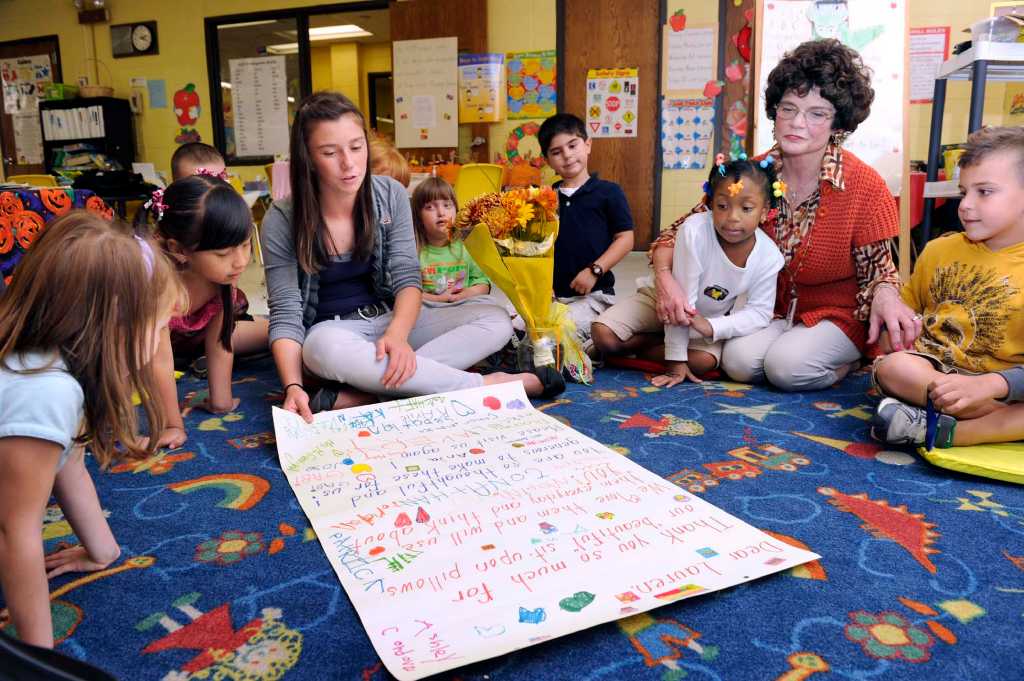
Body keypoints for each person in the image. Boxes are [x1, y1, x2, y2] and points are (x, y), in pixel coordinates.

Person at [593, 39, 920, 391]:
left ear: (837, 122)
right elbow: (680, 230)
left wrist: (887, 295)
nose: (797, 123)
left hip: (837, 314)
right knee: (738, 363)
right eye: (788, 108)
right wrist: (665, 277)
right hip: (771, 311)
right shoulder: (756, 173)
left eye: (817, 113)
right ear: (774, 110)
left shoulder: (864, 185)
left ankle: (851, 359)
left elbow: (879, 271)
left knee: (786, 369)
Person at [261, 91, 563, 421]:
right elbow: (286, 312)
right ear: (308, 158)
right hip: (335, 333)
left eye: (356, 147)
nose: (349, 163)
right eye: (330, 152)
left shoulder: (389, 194)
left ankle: (367, 393)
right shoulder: (283, 218)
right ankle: (487, 385)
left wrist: (397, 334)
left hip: (395, 319)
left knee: (494, 319)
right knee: (321, 350)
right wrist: (293, 386)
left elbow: (406, 274)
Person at [0, 211, 183, 648]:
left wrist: (103, 552)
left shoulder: (68, 370)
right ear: (111, 327)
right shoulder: (43, 393)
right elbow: (15, 530)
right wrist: (38, 658)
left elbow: (70, 465)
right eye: (157, 327)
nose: (161, 338)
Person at [871, 126, 1024, 448]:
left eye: (984, 192)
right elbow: (906, 314)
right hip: (935, 374)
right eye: (962, 192)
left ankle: (941, 431)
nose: (965, 205)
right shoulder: (939, 250)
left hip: (1004, 387)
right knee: (894, 367)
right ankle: (989, 423)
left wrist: (992, 384)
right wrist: (896, 331)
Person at [146, 175, 269, 449]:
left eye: (245, 244)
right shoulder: (156, 283)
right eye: (223, 253)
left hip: (189, 340)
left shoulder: (223, 275)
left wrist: (221, 400)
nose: (240, 261)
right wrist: (172, 425)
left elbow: (220, 337)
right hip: (129, 349)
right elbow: (158, 361)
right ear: (179, 250)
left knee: (277, 331)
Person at [650, 157, 785, 387]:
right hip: (664, 301)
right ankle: (638, 343)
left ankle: (637, 346)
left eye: (746, 208)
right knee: (604, 335)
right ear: (711, 204)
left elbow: (761, 313)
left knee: (704, 361)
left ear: (765, 212)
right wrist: (675, 360)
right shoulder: (694, 231)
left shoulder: (770, 256)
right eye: (722, 206)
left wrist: (712, 326)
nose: (732, 217)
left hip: (702, 320)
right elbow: (682, 301)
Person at [538, 113, 634, 345]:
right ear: (547, 160)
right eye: (556, 152)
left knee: (556, 334)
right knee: (517, 328)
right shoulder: (544, 199)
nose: (567, 155)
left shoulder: (608, 192)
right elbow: (537, 247)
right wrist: (541, 286)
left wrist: (595, 270)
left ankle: (591, 345)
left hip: (594, 296)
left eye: (572, 145)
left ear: (588, 145)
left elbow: (625, 238)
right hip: (550, 296)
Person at [412, 176, 491, 304]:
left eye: (447, 205)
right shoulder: (413, 251)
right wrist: (438, 299)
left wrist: (466, 294)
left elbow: (483, 283)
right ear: (418, 216)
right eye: (430, 207)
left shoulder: (467, 247)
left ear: (456, 211)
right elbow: (405, 293)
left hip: (463, 305)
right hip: (426, 310)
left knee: (498, 313)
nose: (441, 212)